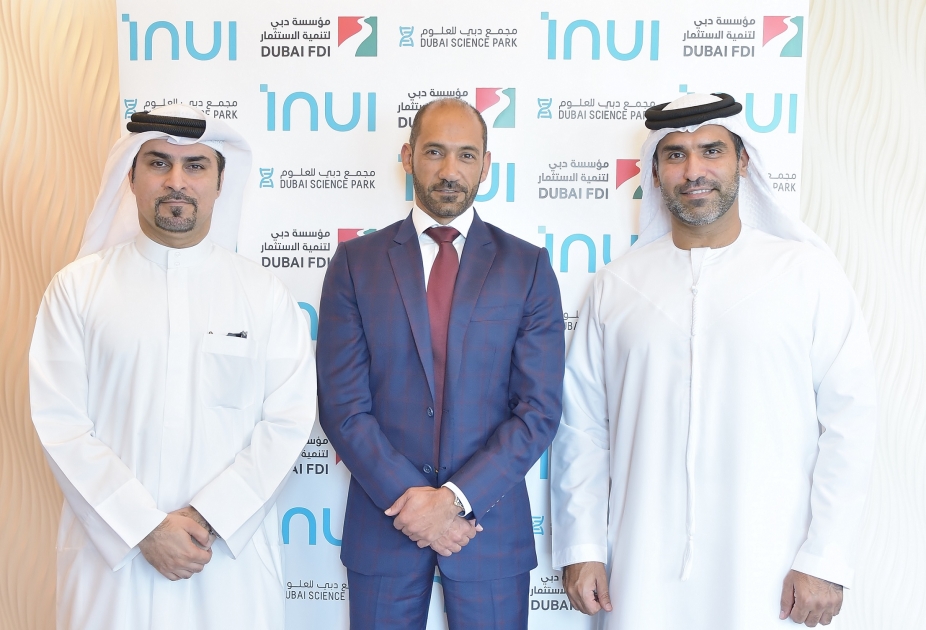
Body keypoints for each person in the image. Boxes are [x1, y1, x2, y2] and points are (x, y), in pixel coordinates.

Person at [551, 93, 878, 629]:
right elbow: (583, 428)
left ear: (743, 161)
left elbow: (850, 423)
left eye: (711, 151)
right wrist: (582, 546)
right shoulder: (618, 285)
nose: (693, 170)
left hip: (771, 570)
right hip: (640, 568)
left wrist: (825, 557)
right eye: (675, 155)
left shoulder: (806, 274)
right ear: (655, 172)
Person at [29, 105, 316, 630]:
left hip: (225, 565)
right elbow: (61, 423)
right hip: (112, 567)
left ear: (220, 183)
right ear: (131, 177)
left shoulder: (264, 296)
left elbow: (288, 421)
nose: (176, 181)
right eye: (158, 163)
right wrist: (143, 527)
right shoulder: (77, 289)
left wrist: (208, 518)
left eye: (196, 166)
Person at [317, 97, 565, 628]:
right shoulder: (356, 264)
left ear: (486, 165)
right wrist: (413, 505)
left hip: (489, 529)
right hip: (385, 526)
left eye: (466, 155)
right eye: (434, 152)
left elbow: (538, 409)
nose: (450, 170)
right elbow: (342, 406)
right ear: (408, 157)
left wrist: (455, 499)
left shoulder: (527, 267)